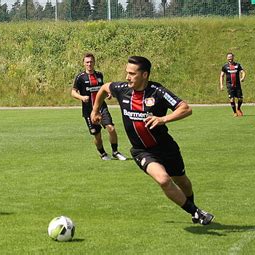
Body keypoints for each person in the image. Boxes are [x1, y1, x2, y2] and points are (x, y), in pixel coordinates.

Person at [91, 56, 214, 225]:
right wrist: (95, 110)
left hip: (165, 147)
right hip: (141, 150)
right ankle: (197, 212)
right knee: (163, 180)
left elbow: (186, 108)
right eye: (127, 73)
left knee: (182, 181)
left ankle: (192, 207)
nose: (127, 77)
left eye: (132, 74)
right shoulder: (121, 89)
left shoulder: (158, 91)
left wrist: (163, 119)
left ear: (144, 75)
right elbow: (104, 88)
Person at [71, 53, 127, 161]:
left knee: (111, 128)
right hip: (88, 110)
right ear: (83, 63)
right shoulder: (80, 77)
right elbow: (73, 92)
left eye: (91, 62)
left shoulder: (99, 75)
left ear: (94, 62)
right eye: (87, 62)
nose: (89, 64)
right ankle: (103, 154)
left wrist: (109, 94)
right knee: (97, 135)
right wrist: (81, 97)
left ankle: (115, 152)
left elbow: (103, 89)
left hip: (102, 107)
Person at [220, 53, 246, 117]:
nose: (230, 59)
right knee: (232, 99)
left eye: (231, 57)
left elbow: (243, 72)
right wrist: (221, 85)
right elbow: (222, 75)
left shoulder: (237, 65)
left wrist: (242, 77)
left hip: (237, 85)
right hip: (229, 85)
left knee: (240, 99)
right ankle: (234, 112)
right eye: (228, 57)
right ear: (227, 58)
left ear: (233, 57)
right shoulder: (225, 66)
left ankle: (238, 108)